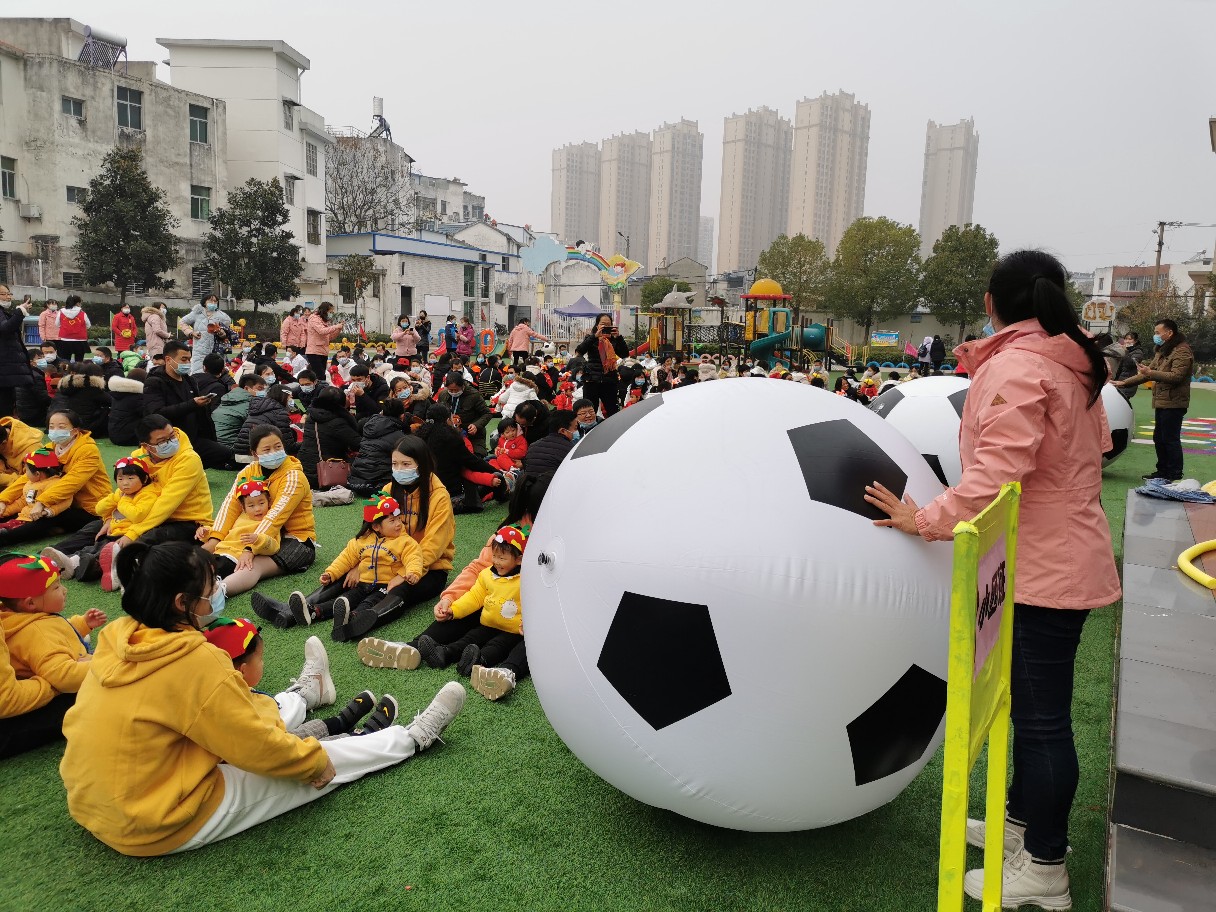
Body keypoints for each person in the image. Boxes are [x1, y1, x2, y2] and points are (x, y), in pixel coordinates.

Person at [864, 249, 1120, 910]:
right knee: (1029, 709)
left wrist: (925, 519)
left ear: (991, 302)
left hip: (1045, 570)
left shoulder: (1020, 366)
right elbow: (1092, 449)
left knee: (1041, 722)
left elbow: (996, 476)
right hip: (1052, 557)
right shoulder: (1071, 358)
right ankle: (1020, 825)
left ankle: (1045, 867)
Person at [59, 540, 466, 857]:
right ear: (182, 603)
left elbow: (226, 713)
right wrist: (311, 763)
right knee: (322, 757)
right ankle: (411, 738)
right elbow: (255, 745)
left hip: (100, 802)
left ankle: (305, 695)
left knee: (249, 709)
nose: (216, 594)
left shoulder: (120, 637)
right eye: (210, 590)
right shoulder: (193, 660)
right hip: (156, 820)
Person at [359, 473, 550, 701]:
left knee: (527, 637)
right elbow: (478, 571)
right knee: (463, 609)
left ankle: (497, 668)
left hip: (527, 617)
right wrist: (449, 599)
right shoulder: (510, 535)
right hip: (501, 607)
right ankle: (416, 648)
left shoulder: (543, 536)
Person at [260, 495, 425, 638]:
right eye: (392, 521)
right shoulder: (361, 541)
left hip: (384, 586)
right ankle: (314, 611)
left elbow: (414, 558)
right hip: (363, 583)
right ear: (376, 527)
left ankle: (353, 619)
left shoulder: (406, 542)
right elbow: (345, 558)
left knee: (368, 603)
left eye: (398, 519)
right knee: (345, 600)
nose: (398, 524)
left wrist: (413, 572)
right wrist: (331, 573)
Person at [203, 617, 394, 740]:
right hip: (240, 765)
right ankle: (364, 738)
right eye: (260, 658)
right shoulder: (243, 723)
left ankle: (336, 719)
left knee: (286, 723)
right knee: (308, 746)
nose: (263, 662)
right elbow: (285, 749)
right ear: (242, 671)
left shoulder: (219, 693)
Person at [200, 425, 318, 596]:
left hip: (295, 539)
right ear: (255, 454)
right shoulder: (248, 471)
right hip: (259, 533)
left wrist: (250, 549)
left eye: (278, 447)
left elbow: (275, 517)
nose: (274, 452)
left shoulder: (294, 477)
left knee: (250, 565)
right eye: (267, 449)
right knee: (222, 553)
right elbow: (230, 505)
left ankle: (215, 594)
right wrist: (215, 538)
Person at [0, 552, 105, 710]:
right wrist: (104, 663)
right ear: (30, 604)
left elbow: (56, 631)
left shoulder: (19, 618)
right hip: (69, 686)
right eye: (56, 587)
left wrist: (82, 624)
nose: (64, 590)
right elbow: (66, 677)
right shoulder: (38, 635)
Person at [1113, 317, 1194, 482]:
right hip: (1162, 401)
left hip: (1174, 402)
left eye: (1158, 332)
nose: (1155, 335)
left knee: (1170, 438)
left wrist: (1151, 373)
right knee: (1159, 437)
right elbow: (1148, 373)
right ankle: (1162, 470)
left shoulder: (1182, 351)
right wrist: (1124, 382)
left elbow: (1176, 376)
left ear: (1169, 333)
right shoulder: (1163, 350)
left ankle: (1174, 473)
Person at [65, 455, 159, 591]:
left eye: (130, 478)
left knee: (106, 552)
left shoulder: (147, 494)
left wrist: (123, 500)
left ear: (144, 479)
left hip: (127, 537)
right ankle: (73, 562)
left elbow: (137, 515)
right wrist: (115, 498)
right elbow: (99, 509)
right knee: (93, 548)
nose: (125, 483)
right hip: (113, 533)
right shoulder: (120, 494)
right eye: (120, 479)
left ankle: (106, 570)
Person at [142, 341, 233, 470]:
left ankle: (189, 468)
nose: (187, 363)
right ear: (168, 359)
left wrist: (203, 404)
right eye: (184, 359)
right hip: (169, 439)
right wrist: (193, 404)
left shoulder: (190, 380)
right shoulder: (154, 382)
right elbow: (157, 413)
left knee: (224, 453)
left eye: (189, 359)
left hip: (194, 437)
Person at [299, 386, 361, 489]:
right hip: (324, 474)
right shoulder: (336, 422)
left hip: (306, 470)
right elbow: (358, 444)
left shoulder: (311, 417)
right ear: (340, 404)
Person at [0, 449, 69, 541]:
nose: (25, 473)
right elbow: (23, 501)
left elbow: (65, 502)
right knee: (8, 524)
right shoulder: (31, 483)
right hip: (23, 517)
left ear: (37, 474)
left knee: (13, 532)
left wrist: (47, 512)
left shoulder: (55, 484)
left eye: (26, 471)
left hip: (38, 519)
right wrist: (5, 511)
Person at [348, 399, 406, 497]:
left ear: (382, 412)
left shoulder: (369, 427)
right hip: (378, 486)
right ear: (402, 416)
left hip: (355, 482)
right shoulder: (399, 437)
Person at [576, 315, 629, 417]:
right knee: (590, 410)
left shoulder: (613, 340)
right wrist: (594, 336)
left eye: (608, 325)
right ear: (597, 325)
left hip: (609, 379)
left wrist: (619, 338)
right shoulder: (591, 338)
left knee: (612, 410)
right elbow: (580, 351)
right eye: (603, 324)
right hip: (592, 379)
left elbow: (624, 354)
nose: (606, 327)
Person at [235, 385, 297, 460]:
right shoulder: (279, 413)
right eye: (290, 397)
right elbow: (289, 446)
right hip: (256, 456)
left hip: (239, 453)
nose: (292, 400)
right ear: (284, 396)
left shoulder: (258, 408)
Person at [0, 285, 34, 419]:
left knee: (8, 403)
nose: (8, 297)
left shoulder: (3, 312)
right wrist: (19, 312)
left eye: (9, 294)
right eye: (3, 294)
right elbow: (6, 329)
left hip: (5, 369)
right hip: (3, 368)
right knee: (4, 407)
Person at [437, 371, 491, 456]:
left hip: (472, 435)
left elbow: (487, 413)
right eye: (450, 390)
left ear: (462, 386)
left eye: (456, 390)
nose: (453, 392)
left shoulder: (474, 395)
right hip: (449, 434)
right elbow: (439, 412)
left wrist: (476, 425)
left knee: (475, 457)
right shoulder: (443, 395)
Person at [49, 363, 111, 436]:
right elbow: (110, 401)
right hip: (88, 429)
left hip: (71, 425)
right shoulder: (93, 388)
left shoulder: (70, 386)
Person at [181, 294, 232, 376]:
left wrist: (221, 333)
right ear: (205, 302)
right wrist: (191, 332)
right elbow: (183, 322)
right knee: (198, 373)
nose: (213, 303)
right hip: (199, 350)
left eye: (215, 301)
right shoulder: (197, 313)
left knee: (215, 374)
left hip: (216, 350)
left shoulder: (222, 316)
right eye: (211, 300)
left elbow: (227, 331)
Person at [521, 409, 578, 477]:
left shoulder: (532, 447)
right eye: (575, 428)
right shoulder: (571, 450)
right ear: (563, 431)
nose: (577, 431)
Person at [214, 373, 264, 448]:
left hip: (217, 445)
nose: (263, 392)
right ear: (246, 388)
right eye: (260, 389)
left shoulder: (229, 399)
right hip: (233, 448)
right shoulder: (250, 405)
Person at [0, 416, 45, 488]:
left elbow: (37, 479)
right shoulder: (2, 438)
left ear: (3, 443)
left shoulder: (32, 449)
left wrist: (4, 479)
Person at [305, 302, 345, 376]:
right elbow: (322, 331)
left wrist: (338, 329)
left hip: (323, 351)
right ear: (325, 310)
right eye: (330, 311)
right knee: (320, 375)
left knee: (322, 375)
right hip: (314, 351)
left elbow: (330, 337)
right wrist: (336, 326)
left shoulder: (325, 321)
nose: (331, 313)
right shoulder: (314, 318)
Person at [54, 296, 91, 363]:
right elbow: (88, 325)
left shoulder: (61, 312)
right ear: (77, 303)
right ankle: (79, 369)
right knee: (79, 360)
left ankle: (66, 369)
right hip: (80, 340)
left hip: (65, 339)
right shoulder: (82, 313)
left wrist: (65, 328)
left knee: (64, 360)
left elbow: (57, 324)